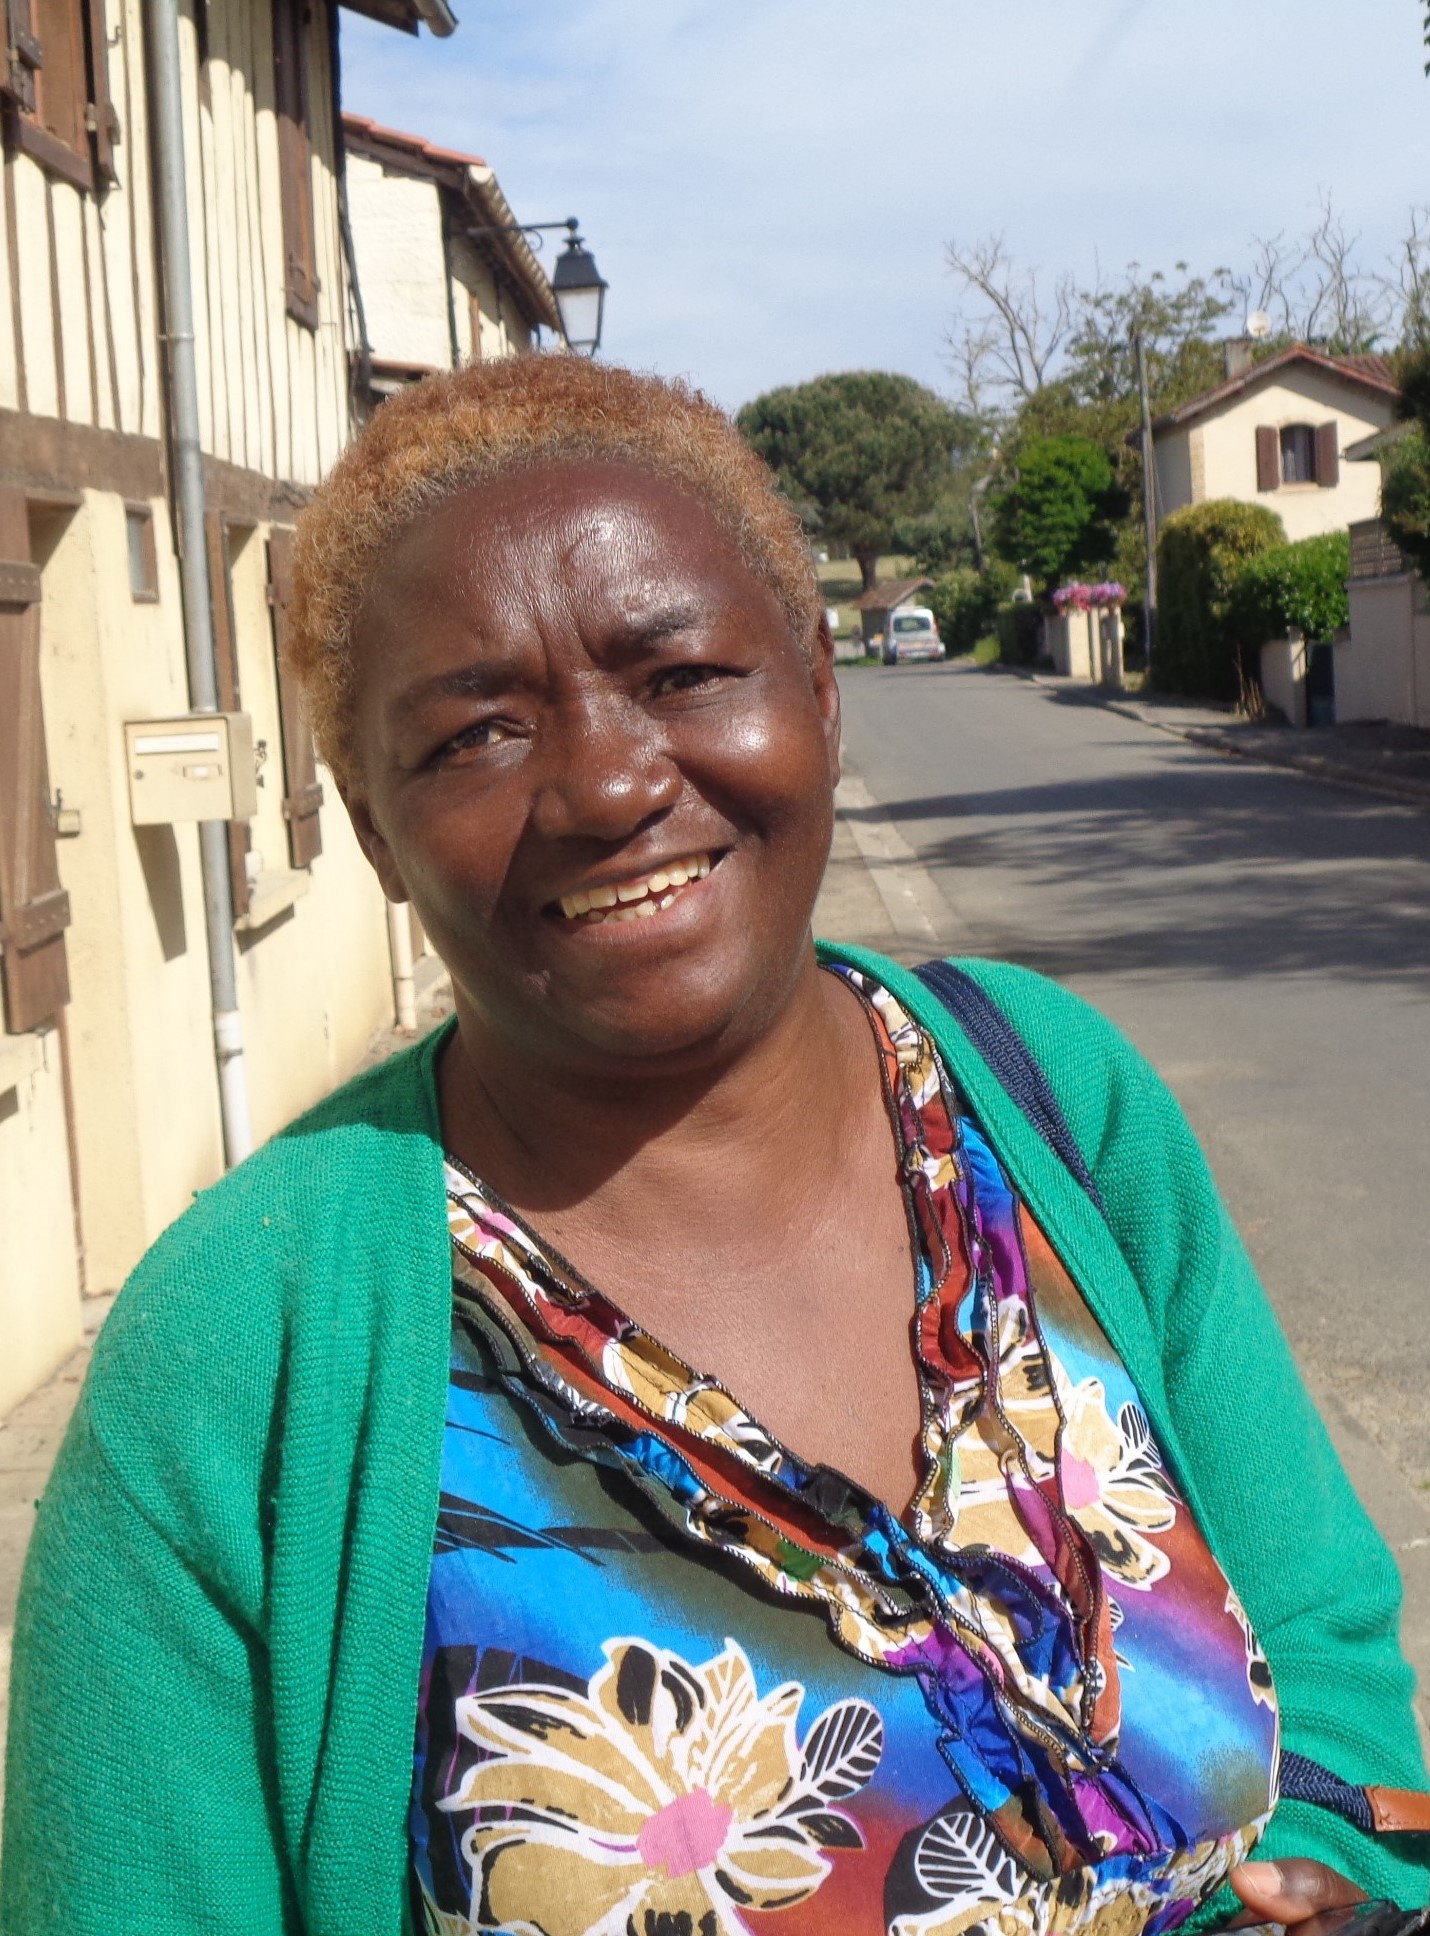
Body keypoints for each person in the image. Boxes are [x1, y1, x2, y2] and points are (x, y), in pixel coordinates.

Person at [3, 357, 1427, 1936]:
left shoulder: (1050, 1099)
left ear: (816, 685)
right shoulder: (246, 1339)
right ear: (369, 826)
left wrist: (1337, 1878)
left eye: (678, 674)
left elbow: (1317, 1642)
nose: (606, 786)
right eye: (475, 734)